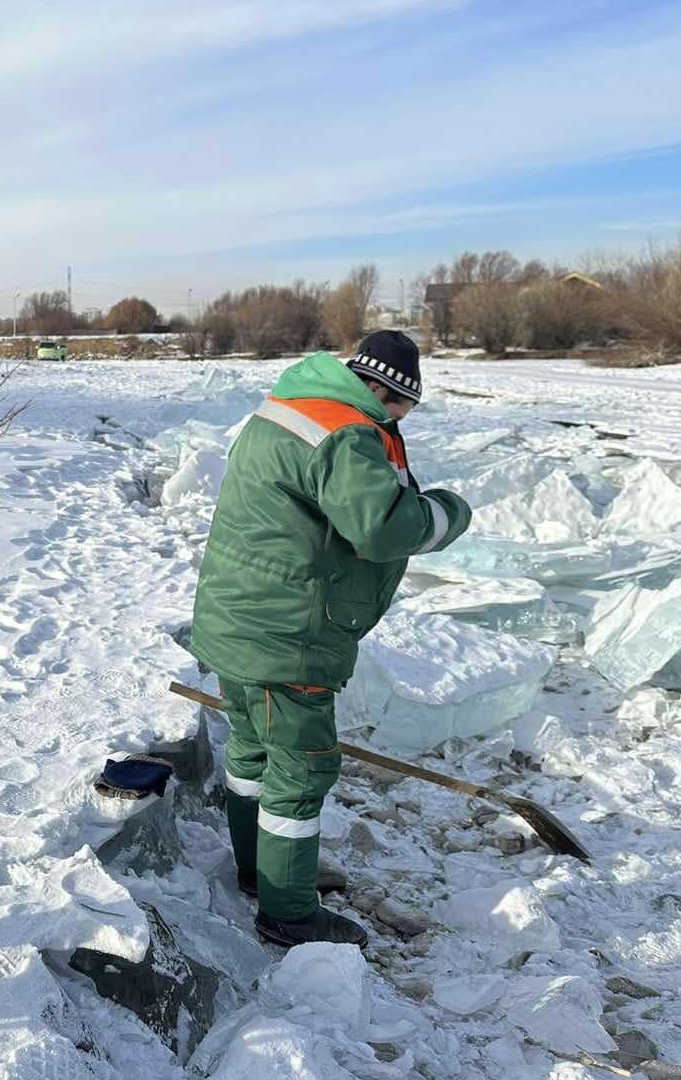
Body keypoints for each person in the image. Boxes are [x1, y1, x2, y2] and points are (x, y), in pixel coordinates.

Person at [189, 331, 473, 948]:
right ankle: (287, 910)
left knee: (254, 753)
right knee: (301, 766)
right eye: (403, 407)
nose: (402, 420)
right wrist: (450, 511)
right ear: (381, 388)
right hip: (286, 636)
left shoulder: (292, 406)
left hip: (239, 620)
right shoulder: (347, 432)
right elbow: (381, 527)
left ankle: (260, 870)